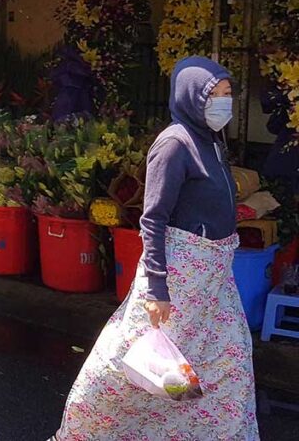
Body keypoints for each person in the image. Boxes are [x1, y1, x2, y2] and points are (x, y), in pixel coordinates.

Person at [55, 56, 258, 440]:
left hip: (213, 282)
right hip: (180, 281)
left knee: (225, 364)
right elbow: (152, 220)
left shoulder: (212, 141)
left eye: (228, 93)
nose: (223, 102)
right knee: (148, 366)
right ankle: (92, 431)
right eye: (214, 95)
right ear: (190, 97)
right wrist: (157, 289)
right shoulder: (174, 143)